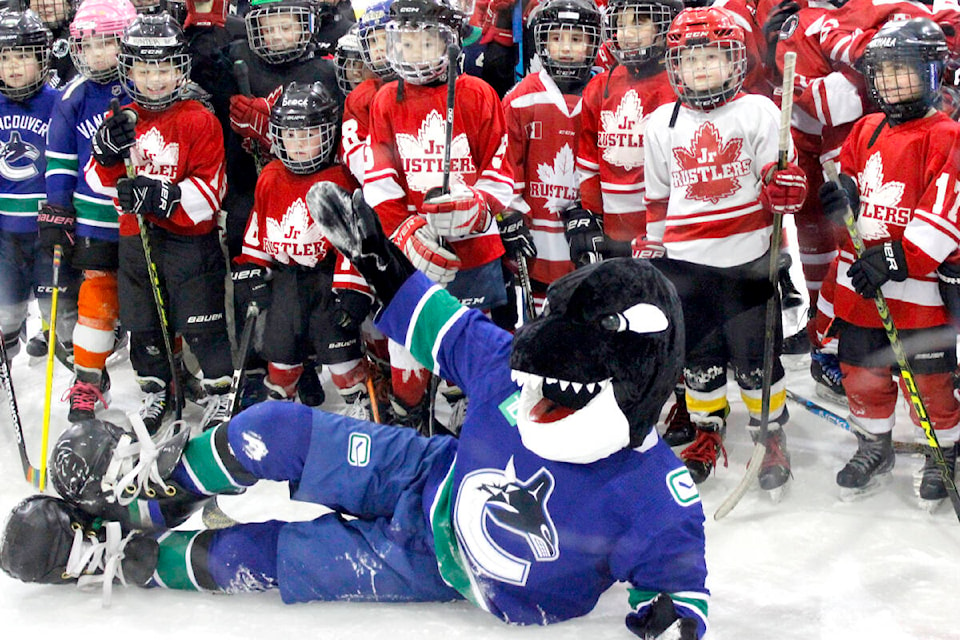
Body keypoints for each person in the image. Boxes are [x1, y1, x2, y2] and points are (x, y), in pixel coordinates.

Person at [1, 183, 709, 640]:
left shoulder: (654, 490)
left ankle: (139, 557)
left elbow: (681, 580)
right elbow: (432, 320)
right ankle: (152, 498)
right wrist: (375, 254)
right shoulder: (511, 365)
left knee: (269, 554)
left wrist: (675, 614)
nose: (534, 383)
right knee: (272, 428)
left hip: (430, 564)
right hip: (427, 473)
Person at [642, 6, 808, 492]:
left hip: (748, 264)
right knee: (699, 359)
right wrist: (654, 247)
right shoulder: (659, 123)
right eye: (690, 59)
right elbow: (656, 196)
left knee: (757, 360)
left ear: (735, 61)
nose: (700, 69)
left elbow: (779, 181)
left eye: (711, 57)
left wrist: (785, 188)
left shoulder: (758, 111)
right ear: (673, 65)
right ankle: (707, 429)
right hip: (687, 268)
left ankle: (770, 431)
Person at [817, 18, 960, 508]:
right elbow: (853, 179)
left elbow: (945, 213)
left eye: (906, 71)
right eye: (884, 72)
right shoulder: (867, 127)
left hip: (918, 295)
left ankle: (942, 450)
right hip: (865, 287)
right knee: (861, 371)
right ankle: (873, 444)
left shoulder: (946, 135)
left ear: (933, 72)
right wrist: (841, 197)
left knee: (930, 382)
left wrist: (898, 256)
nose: (892, 82)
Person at [363, 0, 513, 430]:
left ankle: (470, 407)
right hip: (414, 250)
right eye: (406, 43)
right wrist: (405, 230)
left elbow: (500, 170)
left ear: (449, 43)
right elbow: (380, 179)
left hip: (473, 249)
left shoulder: (477, 94)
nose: (414, 53)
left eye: (426, 42)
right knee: (406, 341)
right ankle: (408, 413)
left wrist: (477, 208)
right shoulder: (385, 101)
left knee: (466, 335)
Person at [84, 11, 232, 433]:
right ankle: (156, 390)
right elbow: (99, 180)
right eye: (144, 69)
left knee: (202, 326)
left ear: (179, 68)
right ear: (128, 69)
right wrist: (109, 155)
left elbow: (209, 194)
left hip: (189, 244)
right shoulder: (123, 118)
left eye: (163, 68)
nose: (154, 80)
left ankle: (220, 393)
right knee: (143, 326)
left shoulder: (198, 118)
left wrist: (161, 194)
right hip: (137, 240)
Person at [575, 0, 687, 444]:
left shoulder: (677, 83)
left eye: (639, 22)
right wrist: (588, 216)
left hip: (662, 229)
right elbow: (588, 156)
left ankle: (684, 401)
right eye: (621, 24)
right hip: (616, 231)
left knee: (670, 316)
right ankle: (631, 397)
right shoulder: (601, 85)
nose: (629, 33)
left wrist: (669, 230)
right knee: (622, 318)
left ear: (663, 27)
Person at [232, 81, 375, 417]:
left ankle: (360, 411)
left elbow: (354, 243)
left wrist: (354, 291)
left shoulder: (340, 180)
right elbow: (260, 224)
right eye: (290, 136)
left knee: (343, 359)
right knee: (280, 356)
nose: (298, 146)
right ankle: (279, 417)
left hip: (329, 284)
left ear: (328, 134)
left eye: (309, 135)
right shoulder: (270, 175)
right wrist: (252, 266)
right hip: (286, 283)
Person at [42, 0, 139, 423]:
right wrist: (58, 209)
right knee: (96, 298)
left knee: (156, 299)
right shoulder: (74, 96)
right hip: (95, 221)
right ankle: (88, 378)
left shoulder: (150, 83)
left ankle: (164, 375)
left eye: (109, 42)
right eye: (90, 44)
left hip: (143, 219)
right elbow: (60, 160)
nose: (99, 53)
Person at [500, 0, 601, 313]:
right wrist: (510, 215)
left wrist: (596, 213)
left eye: (576, 38)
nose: (566, 48)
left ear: (593, 41)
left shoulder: (602, 92)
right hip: (538, 240)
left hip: (589, 232)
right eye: (556, 38)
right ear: (542, 42)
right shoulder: (521, 98)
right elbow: (507, 165)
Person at [0, 8, 72, 365]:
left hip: (49, 232)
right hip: (5, 236)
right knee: (6, 313)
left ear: (43, 58)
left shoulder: (59, 103)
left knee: (60, 316)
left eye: (24, 56)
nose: (13, 66)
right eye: (5, 57)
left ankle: (87, 379)